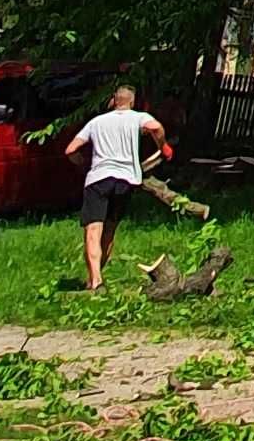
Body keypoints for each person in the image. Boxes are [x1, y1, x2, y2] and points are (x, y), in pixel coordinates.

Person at [65, 82, 174, 294]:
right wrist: (163, 146)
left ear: (114, 100)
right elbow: (156, 127)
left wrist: (83, 164)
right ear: (132, 102)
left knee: (92, 230)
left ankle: (96, 280)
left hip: (98, 179)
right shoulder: (138, 117)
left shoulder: (96, 122)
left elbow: (70, 149)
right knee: (109, 230)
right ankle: (95, 279)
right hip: (125, 181)